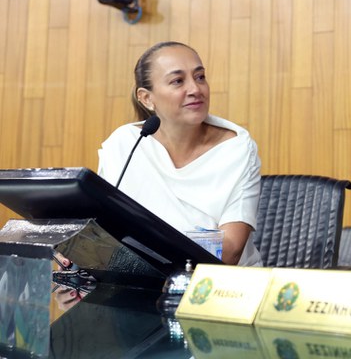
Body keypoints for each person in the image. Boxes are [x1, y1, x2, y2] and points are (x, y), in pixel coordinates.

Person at [98, 41, 262, 266]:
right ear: (146, 98)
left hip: (216, 282)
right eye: (178, 81)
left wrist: (141, 249)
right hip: (141, 278)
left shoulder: (237, 148)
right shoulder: (125, 143)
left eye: (200, 77)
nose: (196, 89)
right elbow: (102, 230)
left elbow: (229, 252)